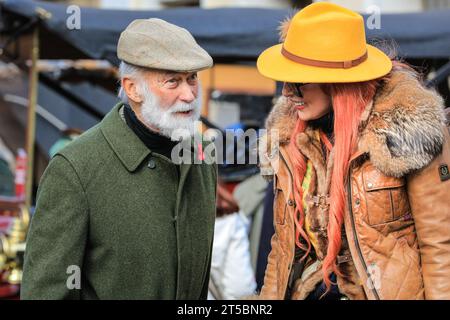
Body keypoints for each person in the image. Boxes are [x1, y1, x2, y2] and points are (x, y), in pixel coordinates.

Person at [257, 2, 450, 300]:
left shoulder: (409, 131)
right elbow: (282, 248)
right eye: (284, 79)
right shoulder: (287, 136)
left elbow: (440, 246)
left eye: (298, 81)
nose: (286, 92)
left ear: (339, 84)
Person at [21, 18, 217, 299]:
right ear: (133, 88)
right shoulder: (76, 168)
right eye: (172, 81)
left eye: (192, 78)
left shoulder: (202, 156)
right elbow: (45, 293)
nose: (188, 95)